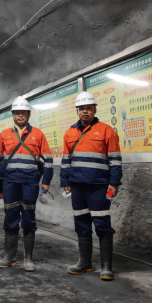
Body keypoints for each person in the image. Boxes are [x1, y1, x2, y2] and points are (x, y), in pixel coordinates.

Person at [60, 92, 123, 281]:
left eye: (88, 108)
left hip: (99, 186)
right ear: (77, 111)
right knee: (81, 223)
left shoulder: (107, 131)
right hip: (77, 187)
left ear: (95, 109)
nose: (85, 111)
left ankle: (106, 266)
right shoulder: (70, 132)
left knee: (102, 224)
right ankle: (85, 262)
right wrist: (65, 182)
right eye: (81, 109)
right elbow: (66, 160)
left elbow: (115, 160)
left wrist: (114, 183)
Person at [0, 97, 54, 272]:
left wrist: (46, 181)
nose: (20, 115)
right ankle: (9, 256)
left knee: (28, 217)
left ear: (28, 114)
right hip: (10, 182)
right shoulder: (4, 135)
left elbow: (48, 160)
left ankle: (28, 258)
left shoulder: (38, 134)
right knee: (10, 216)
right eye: (17, 113)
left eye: (23, 112)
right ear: (13, 115)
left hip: (30, 182)